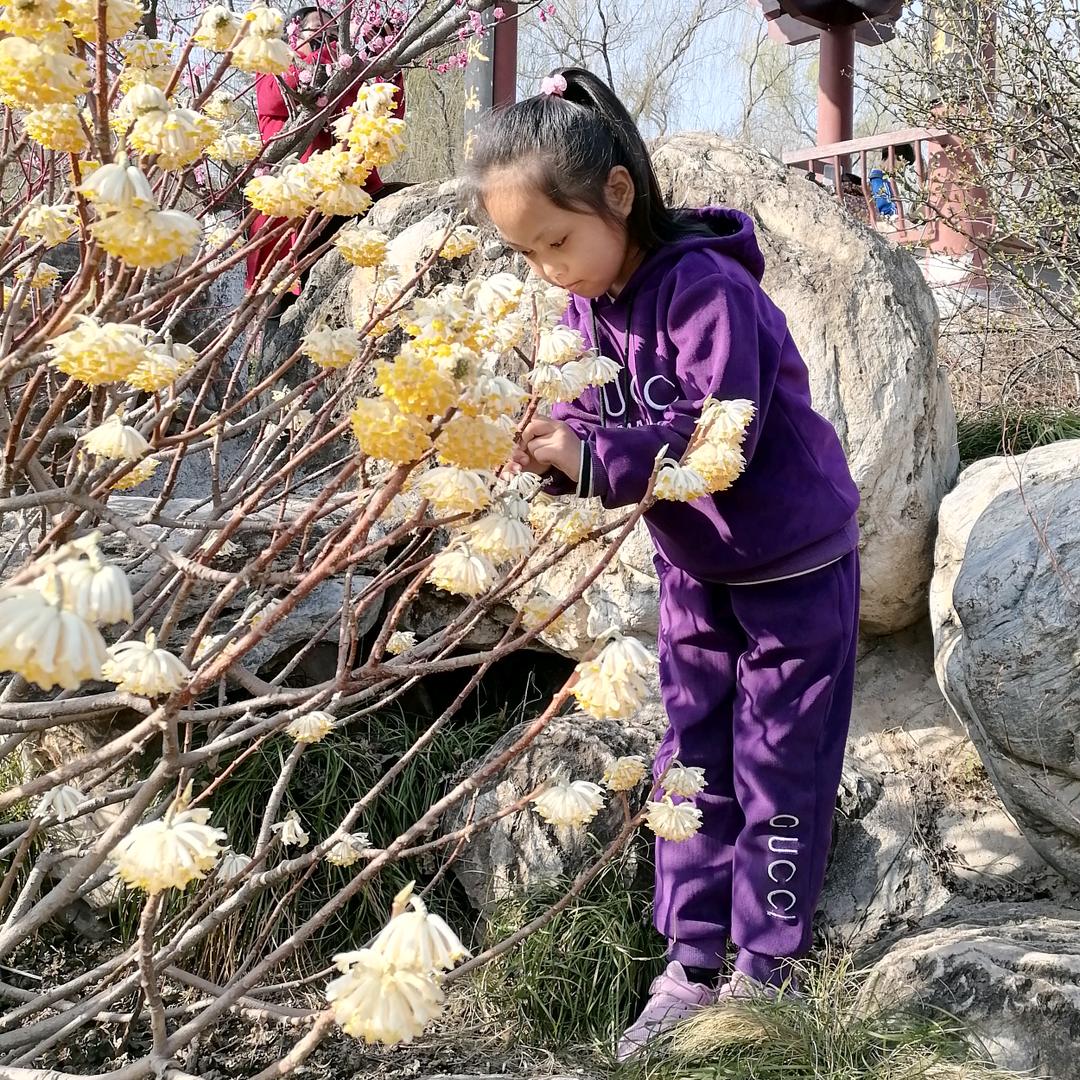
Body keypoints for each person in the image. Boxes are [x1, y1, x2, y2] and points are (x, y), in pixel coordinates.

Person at [462, 68, 861, 1059]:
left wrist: (598, 457)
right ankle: (689, 963)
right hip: (697, 572)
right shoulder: (587, 305)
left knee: (780, 765)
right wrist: (550, 449)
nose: (551, 271)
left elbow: (718, 436)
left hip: (792, 570)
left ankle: (766, 973)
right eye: (528, 255)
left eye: (557, 243)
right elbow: (584, 414)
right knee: (690, 761)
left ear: (618, 196)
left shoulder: (708, 290)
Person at [246, 4, 406, 296]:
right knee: (281, 303)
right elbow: (276, 101)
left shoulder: (345, 81)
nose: (328, 40)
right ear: (293, 38)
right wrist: (326, 59)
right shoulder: (276, 70)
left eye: (334, 32)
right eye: (318, 32)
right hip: (290, 212)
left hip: (346, 197)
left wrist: (386, 68)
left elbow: (383, 119)